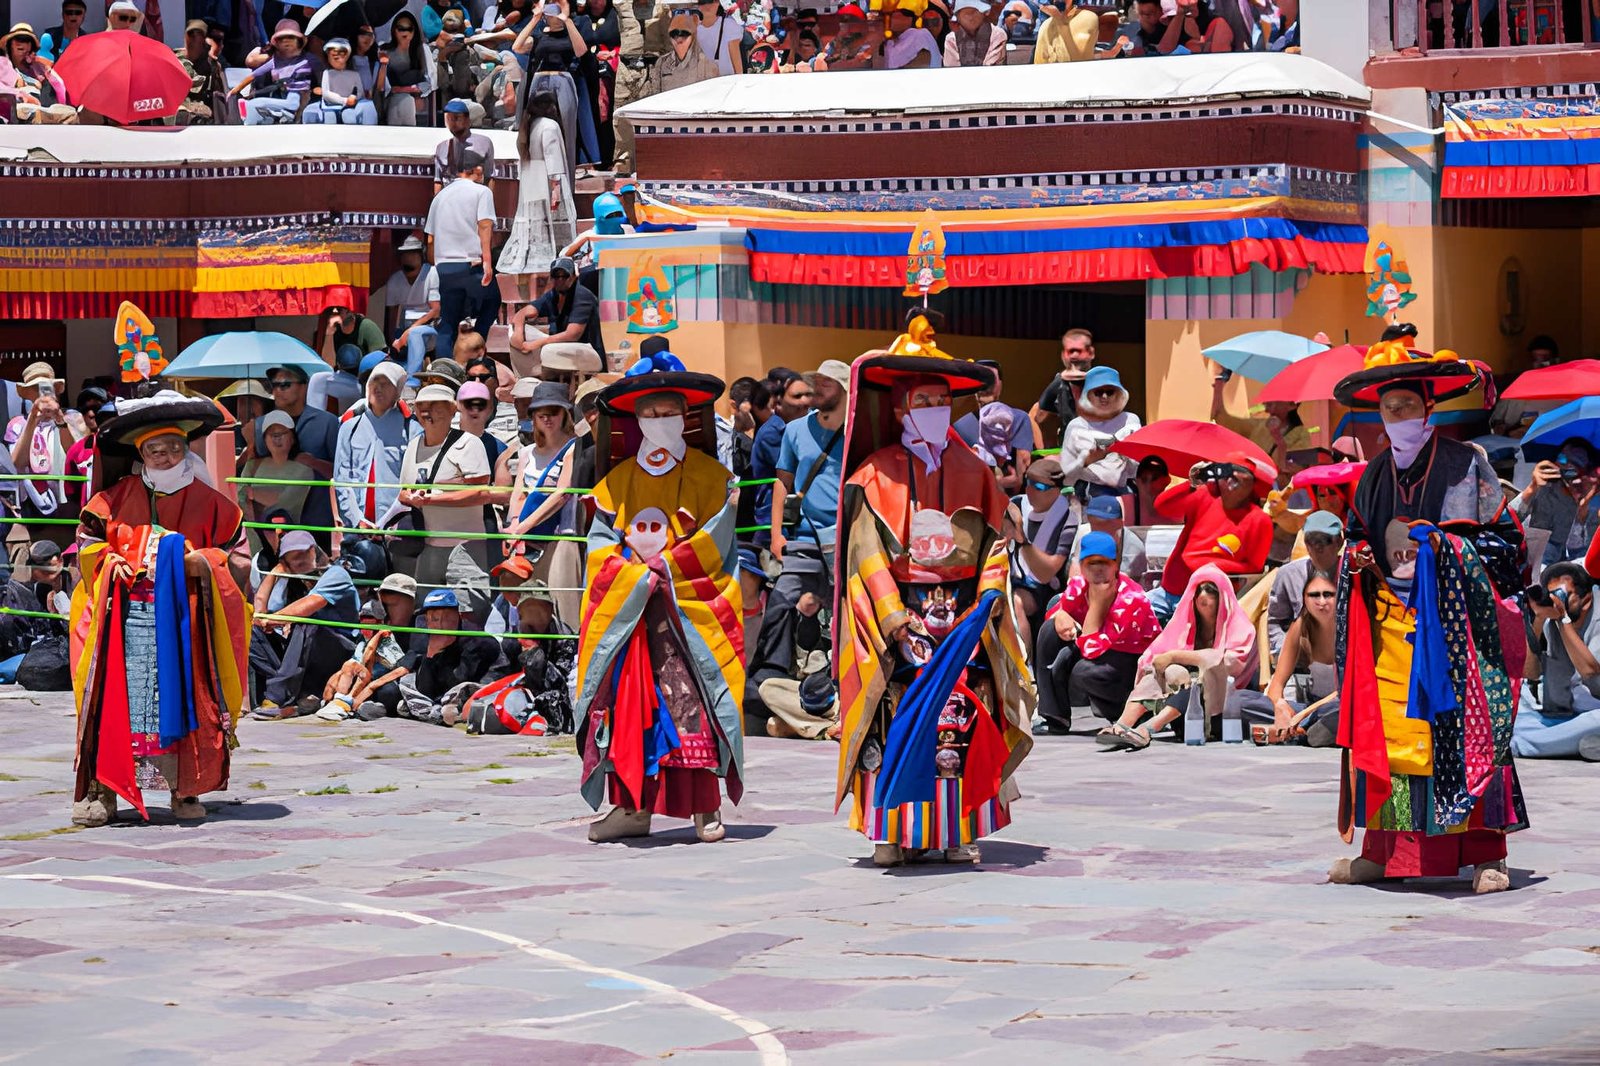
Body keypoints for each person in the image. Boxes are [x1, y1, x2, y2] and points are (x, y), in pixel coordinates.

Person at [1328, 341, 1524, 894]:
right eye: (1389, 408)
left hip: (1457, 628)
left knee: (1467, 737)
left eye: (1407, 406)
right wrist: (1358, 556)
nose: (1398, 417)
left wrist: (1444, 549)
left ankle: (1487, 853)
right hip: (1390, 625)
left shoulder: (1468, 464)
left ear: (1428, 409)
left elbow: (1507, 548)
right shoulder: (1372, 474)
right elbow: (1357, 536)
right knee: (1390, 738)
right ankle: (1383, 851)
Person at [834, 332, 1032, 867]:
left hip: (964, 615)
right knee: (895, 718)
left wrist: (988, 597)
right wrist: (893, 617)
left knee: (962, 718)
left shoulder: (975, 470)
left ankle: (955, 828)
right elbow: (864, 551)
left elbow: (995, 544)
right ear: (901, 408)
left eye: (942, 401)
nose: (935, 409)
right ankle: (891, 833)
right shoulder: (875, 473)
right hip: (901, 615)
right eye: (923, 401)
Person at [575, 372, 746, 845]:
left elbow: (718, 541)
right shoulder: (617, 482)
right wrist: (632, 575)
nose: (660, 421)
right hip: (632, 616)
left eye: (669, 412)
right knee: (628, 708)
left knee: (696, 703)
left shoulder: (712, 478)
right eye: (650, 414)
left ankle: (704, 805)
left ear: (686, 417)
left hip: (687, 611)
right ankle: (631, 806)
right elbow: (600, 546)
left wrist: (666, 567)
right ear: (636, 421)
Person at [69, 393, 249, 827]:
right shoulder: (112, 500)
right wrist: (111, 562)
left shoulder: (215, 505)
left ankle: (184, 789)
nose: (165, 456)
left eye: (172, 447)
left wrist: (203, 562)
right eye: (155, 449)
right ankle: (104, 790)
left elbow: (238, 559)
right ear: (141, 453)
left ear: (186, 448)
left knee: (189, 702)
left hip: (187, 625)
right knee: (112, 705)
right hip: (122, 623)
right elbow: (87, 544)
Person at [747, 361, 848, 730]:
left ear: (844, 388)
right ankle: (765, 679)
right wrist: (776, 533)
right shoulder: (793, 430)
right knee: (782, 601)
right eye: (815, 381)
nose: (817, 388)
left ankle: (843, 685)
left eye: (826, 383)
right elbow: (782, 482)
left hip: (846, 536)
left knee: (845, 612)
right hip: (804, 534)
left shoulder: (858, 431)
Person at [1097, 564, 1258, 750]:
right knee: (1163, 674)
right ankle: (1122, 725)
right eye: (1200, 597)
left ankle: (1146, 730)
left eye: (1212, 597)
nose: (1205, 602)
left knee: (1195, 684)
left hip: (1222, 710)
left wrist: (1175, 656)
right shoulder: (1185, 626)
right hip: (1183, 712)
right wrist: (1164, 667)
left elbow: (1227, 663)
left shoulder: (1242, 629)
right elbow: (1154, 657)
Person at [1034, 530, 1162, 735]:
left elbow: (1090, 650)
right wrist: (1061, 614)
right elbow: (1056, 609)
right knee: (1049, 630)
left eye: (1104, 563)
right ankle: (1054, 716)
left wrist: (1097, 605)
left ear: (1115, 564)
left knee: (1082, 670)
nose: (1097, 570)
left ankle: (1129, 713)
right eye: (1091, 564)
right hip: (1096, 648)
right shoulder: (1080, 585)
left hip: (1130, 663)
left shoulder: (1131, 598)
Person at [248, 531, 361, 718]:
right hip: (304, 656)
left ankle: (278, 697)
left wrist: (275, 619)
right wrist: (275, 572)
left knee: (306, 622)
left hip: (338, 649)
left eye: (303, 553)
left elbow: (309, 606)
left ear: (313, 551)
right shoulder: (296, 582)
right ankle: (290, 693)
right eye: (293, 557)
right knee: (253, 630)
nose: (299, 560)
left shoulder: (336, 574)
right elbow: (260, 611)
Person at [1150, 454, 1275, 618]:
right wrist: (1192, 483)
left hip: (1208, 602)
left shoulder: (1259, 519)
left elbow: (1254, 568)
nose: (1230, 482)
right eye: (1226, 474)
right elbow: (1163, 507)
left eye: (1238, 478)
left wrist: (1208, 565)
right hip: (1169, 590)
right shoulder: (1205, 495)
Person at [398, 383, 494, 591]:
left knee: (468, 607)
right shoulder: (413, 445)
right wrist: (412, 498)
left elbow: (480, 493)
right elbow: (403, 491)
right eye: (421, 406)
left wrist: (431, 499)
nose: (426, 411)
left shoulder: (469, 443)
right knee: (426, 606)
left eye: (435, 405)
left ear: (452, 410)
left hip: (466, 545)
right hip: (428, 546)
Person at [502, 381, 582, 626]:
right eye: (540, 413)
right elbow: (518, 495)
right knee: (526, 605)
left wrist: (522, 527)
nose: (547, 418)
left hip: (561, 537)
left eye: (553, 411)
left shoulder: (574, 447)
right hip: (526, 541)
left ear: (565, 414)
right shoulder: (526, 452)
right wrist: (513, 525)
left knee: (562, 604)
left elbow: (562, 494)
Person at [247, 364, 340, 550]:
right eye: (273, 385)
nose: (277, 390)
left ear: (304, 387)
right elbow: (255, 468)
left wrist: (313, 463)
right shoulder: (260, 425)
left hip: (316, 520)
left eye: (285, 384)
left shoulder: (327, 422)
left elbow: (340, 472)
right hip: (272, 521)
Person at [1515, 563, 1600, 759]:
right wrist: (1538, 619)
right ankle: (1575, 743)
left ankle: (1523, 744)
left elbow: (1591, 672)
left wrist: (1564, 619)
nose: (1555, 601)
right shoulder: (1552, 623)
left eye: (1562, 595)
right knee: (1518, 710)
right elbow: (1530, 673)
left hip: (1595, 711)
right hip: (1564, 716)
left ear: (1586, 599)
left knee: (1594, 721)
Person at [1251, 568, 1339, 745]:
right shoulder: (1300, 625)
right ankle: (1301, 731)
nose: (1322, 602)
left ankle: (1296, 732)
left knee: (1340, 710)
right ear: (1304, 598)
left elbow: (1345, 690)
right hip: (1310, 705)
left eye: (1328, 594)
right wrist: (1280, 706)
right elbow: (1277, 683)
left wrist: (1302, 715)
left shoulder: (1349, 626)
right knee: (1241, 701)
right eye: (1314, 595)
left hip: (1336, 704)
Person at [424, 149, 497, 362]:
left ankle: (444, 368)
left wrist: (437, 264)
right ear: (476, 170)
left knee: (448, 321)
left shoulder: (440, 197)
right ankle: (474, 351)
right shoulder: (482, 192)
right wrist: (487, 262)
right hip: (470, 263)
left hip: (444, 267)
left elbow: (430, 239)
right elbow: (485, 225)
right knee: (493, 301)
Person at [498, 91, 578, 278]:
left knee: (535, 222)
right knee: (553, 221)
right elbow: (553, 156)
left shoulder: (530, 125)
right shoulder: (549, 126)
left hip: (532, 176)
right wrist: (556, 188)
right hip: (547, 177)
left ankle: (535, 257)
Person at [394, 588, 504, 725]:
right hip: (446, 686)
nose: (438, 625)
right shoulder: (427, 635)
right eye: (433, 619)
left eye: (445, 618)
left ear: (458, 616)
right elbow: (425, 689)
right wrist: (431, 653)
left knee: (455, 700)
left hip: (483, 682)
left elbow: (460, 681)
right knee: (406, 683)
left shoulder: (475, 641)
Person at [333, 361, 415, 531]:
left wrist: (390, 521)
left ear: (397, 392)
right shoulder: (349, 427)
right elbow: (342, 479)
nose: (378, 387)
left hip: (397, 526)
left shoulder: (411, 429)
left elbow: (412, 483)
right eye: (374, 381)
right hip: (356, 527)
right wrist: (356, 520)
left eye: (386, 383)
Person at [1006, 456, 1074, 649]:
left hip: (1044, 587)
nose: (1030, 490)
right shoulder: (1017, 504)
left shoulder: (1066, 518)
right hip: (1009, 576)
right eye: (1029, 483)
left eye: (1039, 487)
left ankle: (1025, 663)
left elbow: (1048, 571)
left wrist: (1023, 540)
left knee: (1016, 601)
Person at [8, 362, 81, 528]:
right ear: (28, 394)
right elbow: (17, 464)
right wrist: (33, 419)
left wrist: (60, 420)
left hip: (68, 502)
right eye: (36, 388)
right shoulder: (17, 425)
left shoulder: (72, 418)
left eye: (46, 387)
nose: (42, 394)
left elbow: (75, 455)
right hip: (33, 505)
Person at [508, 256, 605, 378]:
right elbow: (523, 313)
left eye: (564, 276)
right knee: (513, 331)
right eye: (556, 276)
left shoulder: (582, 296)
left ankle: (537, 375)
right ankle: (525, 377)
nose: (560, 280)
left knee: (546, 349)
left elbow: (572, 334)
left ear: (573, 277)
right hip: (563, 348)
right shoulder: (553, 294)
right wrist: (518, 332)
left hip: (586, 349)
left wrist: (538, 343)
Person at [1265, 509, 1344, 655]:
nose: (1318, 547)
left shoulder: (1352, 575)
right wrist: (1285, 649)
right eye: (1311, 540)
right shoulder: (1288, 574)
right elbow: (1276, 621)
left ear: (1339, 542)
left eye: (1325, 540)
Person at [313, 599, 405, 722]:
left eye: (370, 619)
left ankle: (343, 704)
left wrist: (378, 635)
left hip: (381, 682)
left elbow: (368, 658)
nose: (365, 623)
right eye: (363, 618)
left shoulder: (387, 641)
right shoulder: (361, 639)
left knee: (385, 690)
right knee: (338, 675)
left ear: (380, 622)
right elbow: (357, 662)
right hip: (363, 679)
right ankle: (331, 703)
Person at [1058, 365, 1139, 504]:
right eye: (1098, 392)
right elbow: (1067, 470)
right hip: (1088, 491)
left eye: (1110, 392)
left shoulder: (1130, 420)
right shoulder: (1077, 425)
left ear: (1119, 394)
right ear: (1088, 395)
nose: (1104, 397)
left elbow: (1137, 464)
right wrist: (1088, 460)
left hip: (1127, 489)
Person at [1513, 438, 1600, 567]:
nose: (1577, 481)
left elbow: (1585, 561)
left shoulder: (1592, 510)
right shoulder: (1543, 497)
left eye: (1583, 472)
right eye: (1570, 472)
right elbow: (1506, 522)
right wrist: (1531, 488)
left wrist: (1581, 515)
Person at [750, 372, 812, 551]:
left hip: (791, 514)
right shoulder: (773, 432)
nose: (804, 402)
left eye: (808, 395)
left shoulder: (798, 428)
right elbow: (793, 470)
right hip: (774, 516)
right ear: (778, 403)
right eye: (797, 396)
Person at [1211, 372, 1309, 482]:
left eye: (1275, 398)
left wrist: (1279, 440)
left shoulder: (1302, 436)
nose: (1267, 405)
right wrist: (1218, 387)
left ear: (1291, 405)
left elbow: (1292, 471)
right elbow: (1222, 419)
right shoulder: (1260, 426)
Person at [237, 410, 313, 535]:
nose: (277, 438)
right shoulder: (252, 465)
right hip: (252, 533)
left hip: (289, 535)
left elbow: (285, 502)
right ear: (264, 439)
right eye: (272, 434)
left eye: (282, 433)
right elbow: (240, 497)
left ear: (293, 438)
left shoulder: (304, 470)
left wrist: (253, 493)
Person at [228, 20, 312, 125]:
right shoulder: (269, 56)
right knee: (254, 106)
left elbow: (302, 95)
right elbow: (252, 66)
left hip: (291, 103)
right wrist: (235, 90)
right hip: (270, 98)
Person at [1030, 328, 1097, 448]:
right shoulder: (1059, 385)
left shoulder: (1103, 381)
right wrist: (1047, 452)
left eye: (1078, 351)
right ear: (1063, 355)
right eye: (1070, 351)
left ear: (1090, 353)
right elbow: (1038, 417)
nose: (1074, 356)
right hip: (1069, 449)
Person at [384, 236, 441, 376]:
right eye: (405, 255)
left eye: (413, 254)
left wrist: (409, 331)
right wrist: (393, 341)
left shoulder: (431, 273)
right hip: (404, 326)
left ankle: (412, 377)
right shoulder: (395, 280)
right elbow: (391, 316)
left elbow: (435, 310)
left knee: (415, 334)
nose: (408, 259)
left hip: (430, 326)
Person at [310, 305, 383, 413]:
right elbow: (328, 362)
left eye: (345, 308)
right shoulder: (334, 330)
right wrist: (329, 332)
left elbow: (380, 359)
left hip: (366, 381)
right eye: (338, 309)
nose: (345, 311)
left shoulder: (366, 327)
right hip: (345, 378)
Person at [0, 22, 76, 125]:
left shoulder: (39, 67)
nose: (24, 54)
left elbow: (60, 89)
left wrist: (49, 75)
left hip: (42, 113)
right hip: (12, 118)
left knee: (70, 115)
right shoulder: (2, 64)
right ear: (10, 48)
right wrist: (20, 95)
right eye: (20, 49)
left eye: (27, 51)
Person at [1068, 493, 1147, 580]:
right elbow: (1074, 577)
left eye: (1102, 524)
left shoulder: (1133, 549)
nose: (1096, 529)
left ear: (1119, 524)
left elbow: (1125, 583)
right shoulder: (1085, 534)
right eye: (1093, 522)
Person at [301, 37, 377, 124]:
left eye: (341, 53)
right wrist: (344, 100)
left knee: (349, 117)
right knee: (330, 118)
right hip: (330, 106)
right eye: (332, 54)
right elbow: (326, 93)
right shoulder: (327, 73)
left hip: (350, 107)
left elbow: (359, 91)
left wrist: (353, 98)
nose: (337, 56)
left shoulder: (354, 74)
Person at [643, 10, 719, 94]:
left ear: (692, 36)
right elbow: (655, 95)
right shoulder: (662, 63)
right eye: (674, 35)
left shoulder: (707, 65)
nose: (679, 39)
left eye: (684, 35)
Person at [379, 12, 432, 126]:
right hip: (390, 98)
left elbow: (430, 81)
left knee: (408, 100)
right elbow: (382, 84)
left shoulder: (422, 50)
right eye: (401, 28)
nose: (405, 32)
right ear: (394, 30)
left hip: (418, 98)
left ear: (414, 31)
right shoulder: (384, 50)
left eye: (409, 29)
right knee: (404, 100)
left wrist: (406, 90)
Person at [175, 19, 225, 124]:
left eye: (198, 35)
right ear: (186, 37)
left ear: (204, 39)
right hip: (179, 112)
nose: (193, 39)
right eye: (191, 35)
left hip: (203, 116)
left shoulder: (211, 65)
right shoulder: (174, 60)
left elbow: (219, 96)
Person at [1032, 0, 1099, 62]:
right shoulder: (1046, 25)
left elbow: (1078, 59)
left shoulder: (1088, 18)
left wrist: (1059, 18)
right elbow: (1039, 63)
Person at [880, 0, 941, 67]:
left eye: (893, 12)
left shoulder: (920, 36)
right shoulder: (893, 40)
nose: (888, 18)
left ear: (910, 18)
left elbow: (894, 64)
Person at [943, 0, 1003, 64]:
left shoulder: (997, 35)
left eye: (973, 12)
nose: (970, 18)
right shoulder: (951, 39)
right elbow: (951, 67)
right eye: (967, 14)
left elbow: (992, 68)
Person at [693, 0, 743, 74]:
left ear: (718, 3)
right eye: (703, 2)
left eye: (711, 2)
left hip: (726, 79)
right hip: (700, 78)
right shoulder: (693, 28)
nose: (708, 6)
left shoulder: (729, 25)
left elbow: (738, 67)